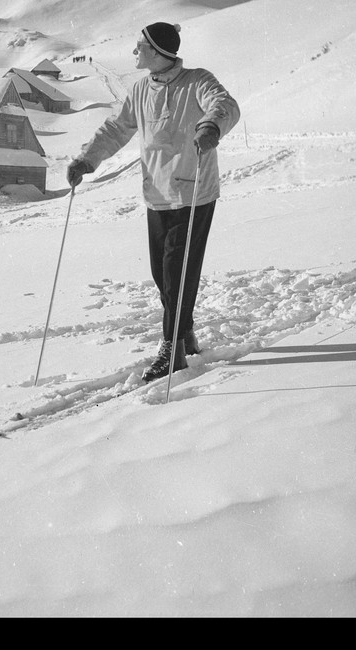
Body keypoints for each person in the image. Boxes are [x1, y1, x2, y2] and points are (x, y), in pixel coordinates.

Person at [67, 22, 240, 383]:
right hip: (157, 195)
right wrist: (87, 160)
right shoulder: (140, 89)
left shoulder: (197, 81)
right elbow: (116, 128)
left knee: (177, 271)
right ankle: (185, 332)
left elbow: (224, 105)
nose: (134, 53)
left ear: (159, 52)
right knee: (163, 275)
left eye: (139, 47)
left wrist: (210, 127)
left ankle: (171, 349)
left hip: (193, 192)